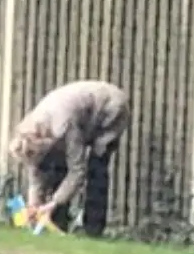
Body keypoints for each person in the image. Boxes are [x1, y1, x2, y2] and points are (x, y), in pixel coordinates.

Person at [8, 79, 130, 237]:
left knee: (96, 167)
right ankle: (59, 225)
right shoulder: (31, 132)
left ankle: (93, 229)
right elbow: (36, 172)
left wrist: (53, 203)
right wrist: (34, 205)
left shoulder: (63, 127)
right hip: (79, 113)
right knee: (57, 166)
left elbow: (77, 171)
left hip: (110, 108)